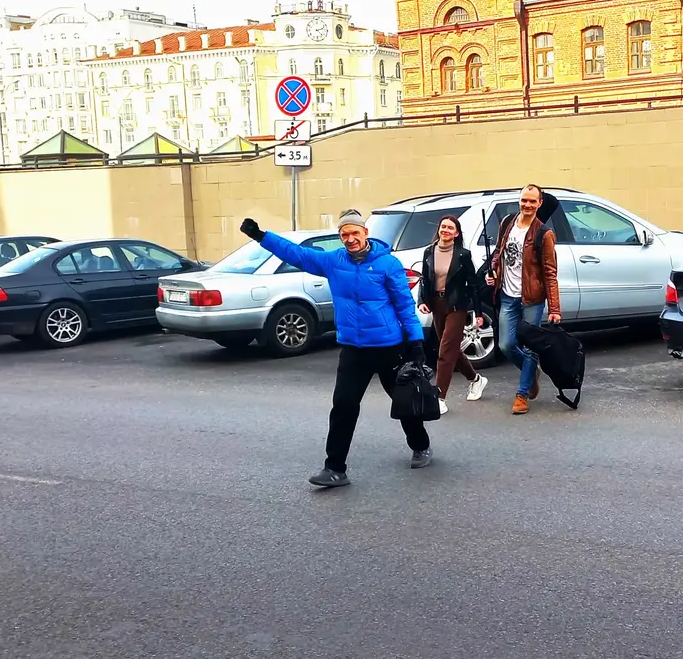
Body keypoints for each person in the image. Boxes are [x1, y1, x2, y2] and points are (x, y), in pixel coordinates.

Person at [239, 209, 432, 488]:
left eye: (355, 233)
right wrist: (261, 237)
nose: (350, 239)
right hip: (353, 349)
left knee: (402, 402)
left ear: (365, 233)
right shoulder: (333, 261)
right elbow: (298, 255)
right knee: (343, 406)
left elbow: (404, 305)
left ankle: (420, 444)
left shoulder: (387, 264)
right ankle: (335, 469)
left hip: (389, 347)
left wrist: (415, 345)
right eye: (344, 234)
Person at [485, 184, 561, 415]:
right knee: (506, 345)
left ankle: (522, 394)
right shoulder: (507, 223)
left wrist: (554, 308)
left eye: (532, 201)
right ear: (519, 200)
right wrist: (494, 271)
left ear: (539, 204)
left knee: (530, 348)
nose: (527, 205)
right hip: (508, 295)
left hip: (532, 298)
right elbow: (499, 252)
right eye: (524, 200)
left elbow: (550, 272)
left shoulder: (544, 234)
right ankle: (532, 372)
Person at [416, 215, 488, 414]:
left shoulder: (463, 255)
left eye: (450, 228)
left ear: (456, 233)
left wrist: (479, 313)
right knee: (451, 349)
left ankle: (439, 397)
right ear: (439, 230)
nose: (446, 230)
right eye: (443, 227)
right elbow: (425, 279)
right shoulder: (429, 252)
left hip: (457, 305)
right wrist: (422, 301)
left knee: (445, 352)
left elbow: (473, 285)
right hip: (436, 304)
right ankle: (476, 379)